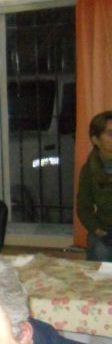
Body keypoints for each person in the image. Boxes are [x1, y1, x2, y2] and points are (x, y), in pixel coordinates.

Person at [77, 110, 112, 262]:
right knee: (100, 251)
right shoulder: (90, 170)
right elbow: (84, 207)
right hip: (106, 228)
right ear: (96, 140)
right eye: (110, 133)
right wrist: (98, 230)